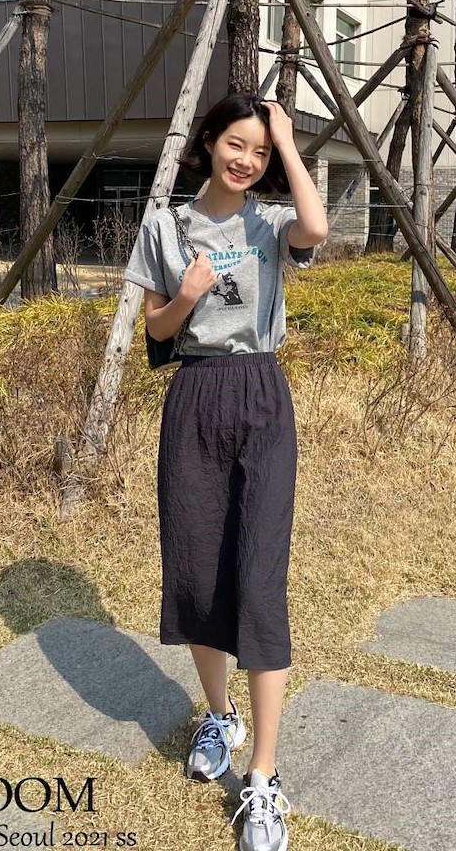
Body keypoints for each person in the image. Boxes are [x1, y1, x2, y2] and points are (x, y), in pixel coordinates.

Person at [123, 94, 328, 851]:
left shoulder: (270, 223)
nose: (247, 160)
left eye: (260, 151)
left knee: (260, 577)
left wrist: (288, 140)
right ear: (209, 141)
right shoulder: (164, 226)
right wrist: (186, 294)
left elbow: (316, 228)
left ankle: (264, 777)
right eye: (236, 144)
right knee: (197, 568)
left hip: (261, 394)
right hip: (194, 396)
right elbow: (154, 328)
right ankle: (220, 716)